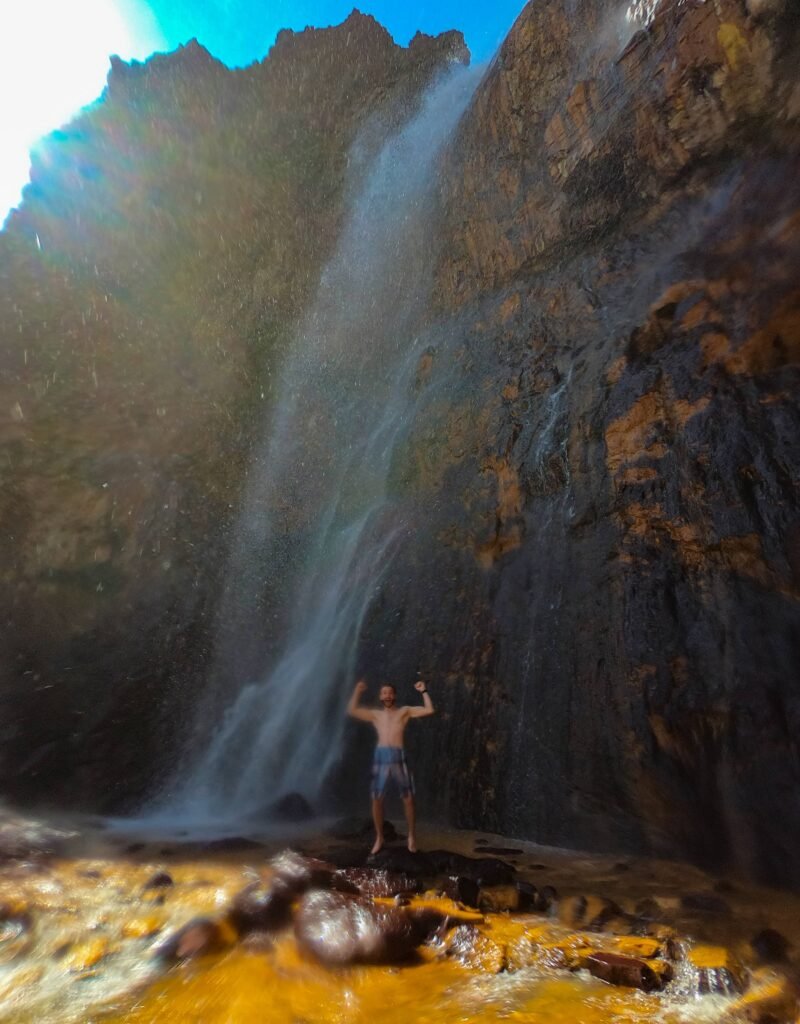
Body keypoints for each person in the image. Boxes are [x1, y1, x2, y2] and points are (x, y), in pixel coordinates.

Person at [347, 677, 434, 854]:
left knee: (408, 799)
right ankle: (379, 837)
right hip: (380, 756)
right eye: (384, 693)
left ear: (395, 696)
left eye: (390, 693)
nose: (387, 696)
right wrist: (357, 690)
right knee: (377, 799)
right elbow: (352, 710)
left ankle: (411, 836)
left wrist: (423, 691)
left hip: (398, 755)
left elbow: (429, 710)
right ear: (380, 697)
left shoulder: (405, 711)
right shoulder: (375, 715)